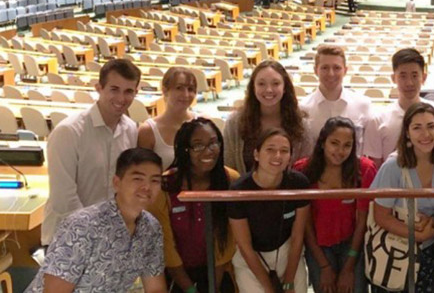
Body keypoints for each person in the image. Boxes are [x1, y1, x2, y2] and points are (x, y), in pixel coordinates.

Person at [26, 148, 166, 292]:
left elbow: (156, 288)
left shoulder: (151, 228)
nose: (147, 187)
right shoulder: (82, 225)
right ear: (117, 183)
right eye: (138, 179)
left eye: (155, 181)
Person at [42, 58, 142, 245]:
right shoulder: (69, 132)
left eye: (128, 91)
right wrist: (95, 235)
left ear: (136, 93)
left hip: (109, 239)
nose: (121, 98)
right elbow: (63, 198)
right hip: (68, 240)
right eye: (114, 89)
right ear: (99, 88)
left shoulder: (131, 129)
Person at [369, 102, 434, 293]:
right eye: (417, 128)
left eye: (431, 126)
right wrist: (415, 234)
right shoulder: (393, 166)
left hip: (430, 252)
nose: (425, 134)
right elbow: (381, 215)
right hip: (395, 252)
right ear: (407, 133)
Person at [149, 118, 240, 293]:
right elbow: (166, 246)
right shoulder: (165, 186)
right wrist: (190, 289)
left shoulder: (230, 180)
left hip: (219, 271)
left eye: (213, 143)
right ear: (185, 150)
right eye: (198, 146)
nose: (208, 151)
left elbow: (228, 240)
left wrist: (214, 286)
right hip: (176, 273)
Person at [294, 117, 377, 293]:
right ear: (323, 142)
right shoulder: (303, 170)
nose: (340, 151)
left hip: (353, 245)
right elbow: (305, 225)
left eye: (347, 145)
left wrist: (349, 268)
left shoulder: (364, 169)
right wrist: (323, 266)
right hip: (318, 246)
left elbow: (363, 221)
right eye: (334, 143)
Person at [228, 129, 311, 293]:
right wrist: (269, 288)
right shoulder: (239, 190)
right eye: (270, 149)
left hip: (287, 253)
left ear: (290, 157)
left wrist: (288, 282)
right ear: (256, 154)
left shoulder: (298, 183)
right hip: (252, 258)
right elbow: (245, 246)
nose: (278, 156)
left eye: (284, 151)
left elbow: (297, 236)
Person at [223, 60, 306, 174]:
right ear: (253, 87)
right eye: (261, 84)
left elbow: (303, 167)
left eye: (275, 83)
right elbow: (229, 166)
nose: (269, 90)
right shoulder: (235, 123)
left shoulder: (301, 123)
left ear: (285, 87)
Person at [364, 48, 434, 165]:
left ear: (424, 77)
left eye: (414, 75)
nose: (409, 83)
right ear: (393, 78)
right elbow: (375, 167)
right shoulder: (378, 120)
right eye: (403, 76)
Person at [299, 45, 378, 158]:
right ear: (315, 70)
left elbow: (370, 150)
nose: (331, 73)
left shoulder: (363, 105)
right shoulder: (303, 108)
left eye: (337, 68)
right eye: (325, 68)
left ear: (345, 70)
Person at [138, 66, 198, 169]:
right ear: (165, 91)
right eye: (179, 88)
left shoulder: (202, 124)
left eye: (190, 89)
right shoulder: (148, 131)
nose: (186, 94)